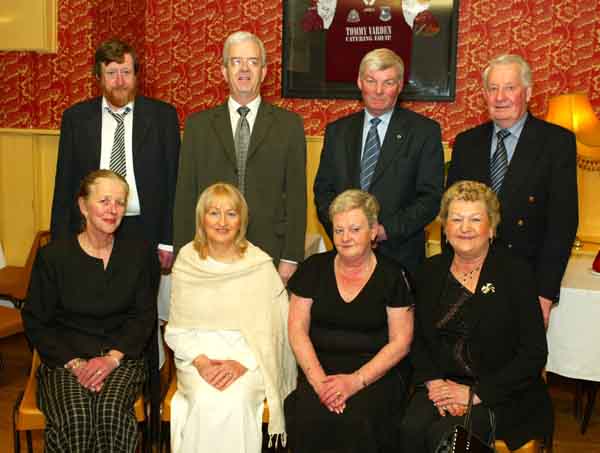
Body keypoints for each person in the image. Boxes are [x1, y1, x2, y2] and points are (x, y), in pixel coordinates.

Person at [400, 181, 553, 452]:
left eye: (475, 219)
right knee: (409, 429)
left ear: (492, 228)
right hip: (442, 385)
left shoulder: (516, 274)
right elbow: (419, 340)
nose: (465, 228)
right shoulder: (429, 272)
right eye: (456, 219)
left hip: (501, 393)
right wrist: (434, 384)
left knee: (448, 438)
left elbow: (534, 353)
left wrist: (475, 394)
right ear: (445, 228)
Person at [23, 170, 157, 452]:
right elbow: (36, 322)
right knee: (76, 416)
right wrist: (75, 363)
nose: (113, 210)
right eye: (104, 200)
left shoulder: (138, 254)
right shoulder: (53, 257)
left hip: (121, 359)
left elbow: (143, 317)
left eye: (120, 202)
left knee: (110, 413)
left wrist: (111, 359)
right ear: (83, 206)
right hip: (65, 361)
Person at [447, 54, 578, 327]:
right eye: (492, 89)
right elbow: (451, 218)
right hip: (470, 278)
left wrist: (545, 295)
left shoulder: (556, 143)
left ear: (528, 92)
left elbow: (562, 225)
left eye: (510, 88)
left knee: (518, 366)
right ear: (484, 94)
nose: (500, 97)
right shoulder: (466, 143)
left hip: (526, 282)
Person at [165, 183, 297, 453]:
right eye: (214, 213)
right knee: (204, 399)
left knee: (234, 401)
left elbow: (275, 329)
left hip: (250, 361)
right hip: (196, 360)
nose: (222, 222)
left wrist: (241, 363)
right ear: (202, 218)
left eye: (231, 214)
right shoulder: (187, 260)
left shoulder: (259, 265)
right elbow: (176, 329)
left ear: (242, 220)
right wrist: (202, 363)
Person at [173, 31, 306, 285]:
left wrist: (291, 256)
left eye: (253, 62)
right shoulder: (197, 126)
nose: (244, 69)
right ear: (224, 71)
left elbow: (296, 195)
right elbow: (185, 194)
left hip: (269, 250)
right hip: (208, 252)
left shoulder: (289, 125)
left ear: (264, 71)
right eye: (236, 62)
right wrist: (184, 253)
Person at [286, 189, 414, 453]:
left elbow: (400, 343)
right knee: (308, 414)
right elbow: (297, 331)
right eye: (339, 230)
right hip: (320, 370)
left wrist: (355, 381)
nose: (345, 238)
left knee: (360, 418)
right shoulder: (312, 269)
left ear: (373, 231)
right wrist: (321, 383)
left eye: (355, 229)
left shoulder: (393, 276)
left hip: (375, 375)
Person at [50, 38, 181, 273]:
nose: (120, 81)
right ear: (98, 78)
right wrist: (60, 243)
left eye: (126, 72)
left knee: (141, 303)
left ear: (136, 76)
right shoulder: (76, 119)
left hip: (145, 230)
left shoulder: (163, 118)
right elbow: (64, 186)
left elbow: (174, 185)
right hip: (90, 229)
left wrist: (169, 240)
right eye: (111, 73)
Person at [314, 48, 444, 276]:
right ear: (359, 82)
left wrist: (383, 231)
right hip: (344, 257)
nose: (378, 90)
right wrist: (346, 233)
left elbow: (430, 198)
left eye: (388, 82)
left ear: (400, 85)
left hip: (400, 256)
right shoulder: (337, 131)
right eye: (371, 80)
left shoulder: (424, 132)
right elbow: (323, 191)